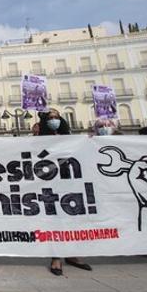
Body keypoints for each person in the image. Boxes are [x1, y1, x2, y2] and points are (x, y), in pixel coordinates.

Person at [37, 109, 92, 276]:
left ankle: (72, 255)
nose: (54, 120)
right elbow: (39, 155)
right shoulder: (40, 140)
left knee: (73, 219)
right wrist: (52, 152)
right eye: (50, 118)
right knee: (55, 220)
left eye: (56, 117)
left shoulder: (71, 139)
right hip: (51, 183)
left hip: (70, 183)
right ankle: (56, 257)